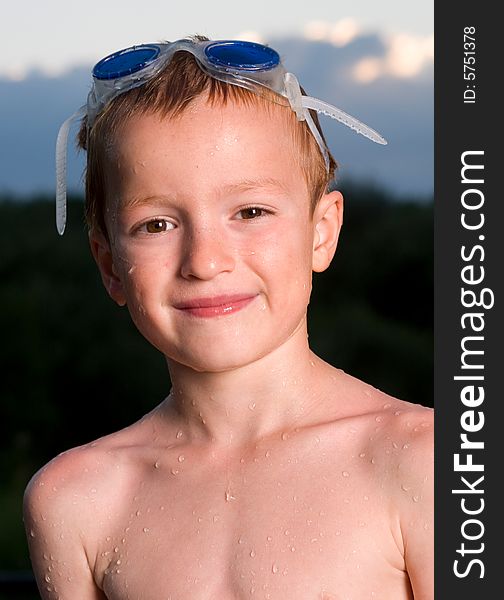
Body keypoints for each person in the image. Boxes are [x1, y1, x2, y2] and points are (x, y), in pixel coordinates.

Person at [24, 36, 433, 600]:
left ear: (322, 231)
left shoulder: (426, 464)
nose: (205, 261)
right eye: (157, 225)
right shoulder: (75, 501)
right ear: (109, 265)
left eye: (250, 212)